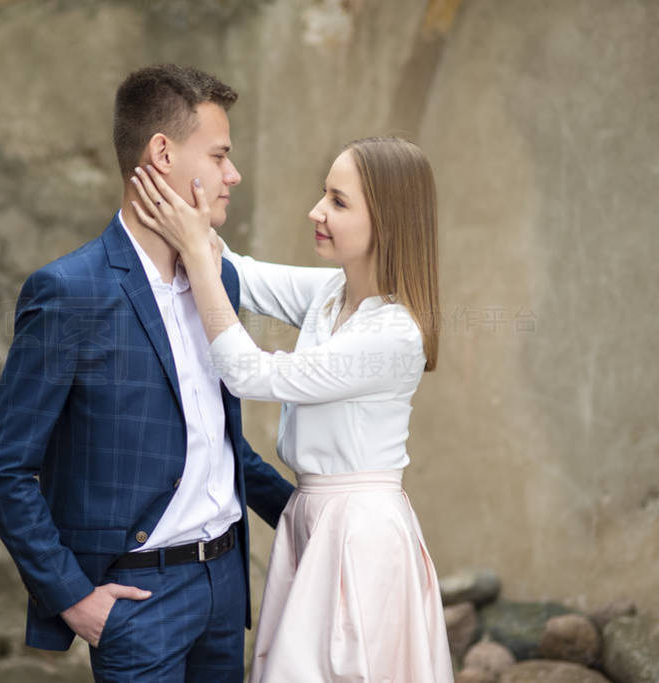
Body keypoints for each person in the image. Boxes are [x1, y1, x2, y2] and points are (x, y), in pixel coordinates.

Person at [0, 64, 294, 682]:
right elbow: (3, 464)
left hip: (225, 587)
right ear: (163, 153)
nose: (233, 175)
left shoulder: (216, 280)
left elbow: (217, 441)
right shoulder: (70, 292)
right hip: (138, 605)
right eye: (220, 154)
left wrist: (314, 516)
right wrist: (75, 599)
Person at [130, 136, 455, 681]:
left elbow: (252, 373)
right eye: (323, 195)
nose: (316, 212)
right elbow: (243, 275)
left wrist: (198, 257)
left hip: (360, 533)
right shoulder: (334, 294)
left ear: (389, 223)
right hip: (315, 517)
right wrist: (190, 209)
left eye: (338, 202)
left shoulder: (394, 332)